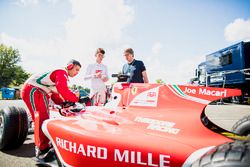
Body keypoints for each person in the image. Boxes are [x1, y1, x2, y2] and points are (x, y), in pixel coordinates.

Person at [21, 59, 81, 161]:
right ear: (70, 66)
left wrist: (63, 103)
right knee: (41, 119)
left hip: (38, 91)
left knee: (44, 118)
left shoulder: (60, 75)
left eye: (78, 71)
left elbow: (55, 95)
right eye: (76, 69)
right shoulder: (62, 72)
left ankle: (44, 145)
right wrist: (76, 98)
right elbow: (63, 90)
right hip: (33, 90)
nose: (77, 73)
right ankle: (42, 150)